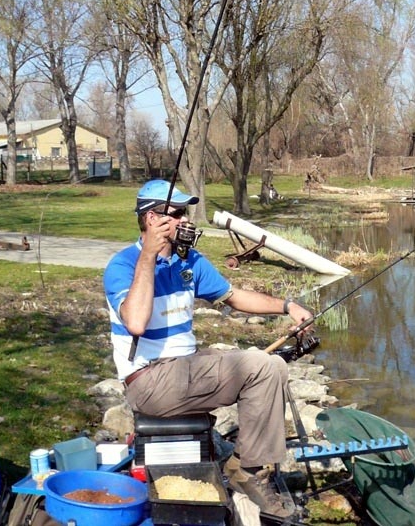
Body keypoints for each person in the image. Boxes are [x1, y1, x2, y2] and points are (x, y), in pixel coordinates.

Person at [103, 179, 313, 517]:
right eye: (175, 214)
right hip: (148, 381)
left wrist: (287, 306)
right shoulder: (123, 266)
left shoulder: (189, 262)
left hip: (187, 369)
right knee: (263, 366)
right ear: (150, 219)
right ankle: (248, 471)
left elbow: (233, 296)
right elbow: (136, 323)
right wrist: (148, 256)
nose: (185, 220)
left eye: (184, 212)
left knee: (268, 363)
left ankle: (244, 463)